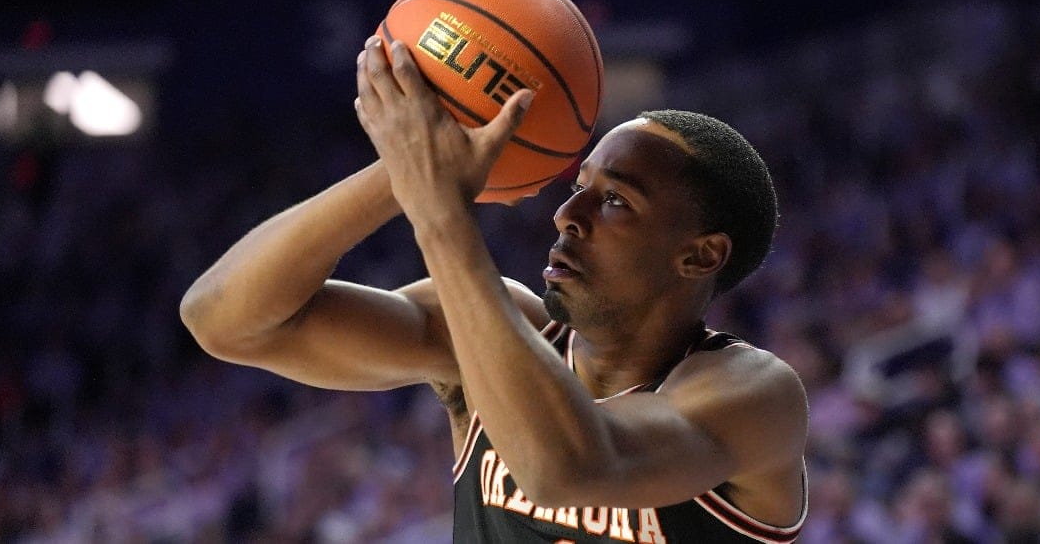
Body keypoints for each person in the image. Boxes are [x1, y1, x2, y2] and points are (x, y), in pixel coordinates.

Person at [180, 35, 809, 543]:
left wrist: (439, 211)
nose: (569, 215)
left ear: (700, 255)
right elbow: (222, 319)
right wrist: (406, 169)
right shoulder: (492, 331)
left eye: (616, 201)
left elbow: (567, 468)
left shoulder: (752, 395)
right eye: (576, 188)